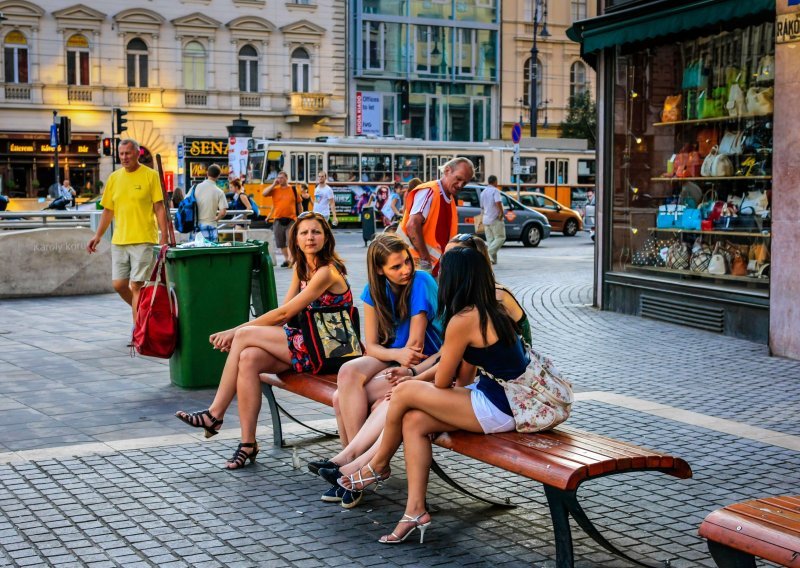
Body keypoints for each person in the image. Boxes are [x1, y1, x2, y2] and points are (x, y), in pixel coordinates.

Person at [339, 246, 530, 544]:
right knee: (414, 421)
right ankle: (415, 512)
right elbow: (462, 377)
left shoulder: (464, 319)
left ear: (455, 280)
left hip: (501, 406)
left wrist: (415, 385)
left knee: (403, 393)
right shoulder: (490, 308)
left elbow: (442, 382)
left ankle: (377, 465)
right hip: (504, 400)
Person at [175, 212, 354, 469]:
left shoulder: (326, 272)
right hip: (309, 344)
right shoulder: (302, 268)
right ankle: (247, 444)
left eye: (316, 232)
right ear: (296, 239)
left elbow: (284, 313)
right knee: (248, 358)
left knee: (245, 335)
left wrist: (234, 331)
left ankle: (214, 414)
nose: (310, 238)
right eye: (303, 233)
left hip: (331, 350)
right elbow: (283, 317)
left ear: (326, 238)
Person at [312, 234, 442, 507]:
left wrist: (400, 359)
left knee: (340, 398)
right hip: (395, 355)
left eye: (406, 261)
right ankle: (355, 466)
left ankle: (354, 467)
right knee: (348, 371)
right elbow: (371, 346)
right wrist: (395, 354)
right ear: (380, 269)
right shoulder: (374, 290)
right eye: (396, 267)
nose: (405, 269)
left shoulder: (421, 281)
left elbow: (416, 347)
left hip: (423, 361)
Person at [86, 139, 169, 327]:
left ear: (137, 153)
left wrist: (163, 236)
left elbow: (159, 207)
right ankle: (144, 313)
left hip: (144, 239)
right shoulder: (115, 178)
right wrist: (97, 236)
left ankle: (138, 331)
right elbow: (108, 210)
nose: (124, 157)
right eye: (121, 154)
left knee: (137, 285)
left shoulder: (151, 175)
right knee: (119, 285)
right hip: (120, 240)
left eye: (128, 153)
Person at [397, 157, 474, 274]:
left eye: (465, 182)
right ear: (447, 170)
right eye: (458, 179)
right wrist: (425, 260)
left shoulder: (449, 199)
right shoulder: (430, 191)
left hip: (431, 268)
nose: (460, 185)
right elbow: (412, 226)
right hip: (416, 266)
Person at [263, 171, 301, 267]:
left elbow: (299, 204)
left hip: (291, 219)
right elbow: (264, 193)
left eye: (282, 178)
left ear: (286, 178)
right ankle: (287, 260)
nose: (280, 179)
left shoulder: (293, 189)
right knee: (280, 242)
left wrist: (300, 217)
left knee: (290, 240)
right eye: (278, 178)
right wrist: (273, 184)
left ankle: (291, 260)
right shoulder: (275, 189)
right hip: (278, 219)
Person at [193, 164, 228, 242]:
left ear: (207, 173)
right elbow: (223, 212)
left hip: (196, 226)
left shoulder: (195, 187)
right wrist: (216, 218)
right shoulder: (219, 192)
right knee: (211, 252)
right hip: (211, 225)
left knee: (195, 252)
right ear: (218, 176)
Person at [479, 175, 506, 265]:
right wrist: (501, 213)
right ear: (495, 181)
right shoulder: (495, 191)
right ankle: (487, 254)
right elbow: (498, 202)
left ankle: (492, 260)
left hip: (486, 218)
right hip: (495, 218)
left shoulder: (483, 192)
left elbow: (482, 207)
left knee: (490, 240)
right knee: (500, 237)